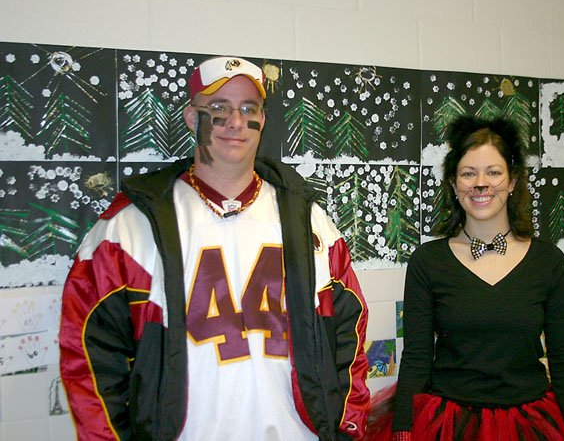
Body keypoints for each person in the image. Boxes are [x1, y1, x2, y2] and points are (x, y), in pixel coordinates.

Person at [59, 56, 370, 441]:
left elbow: (349, 336)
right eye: (218, 108)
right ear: (192, 118)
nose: (235, 122)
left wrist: (345, 430)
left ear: (263, 119)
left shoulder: (310, 221)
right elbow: (90, 356)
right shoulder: (129, 228)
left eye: (248, 108)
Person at [365, 115, 564, 440]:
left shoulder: (549, 262)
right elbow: (417, 357)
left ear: (513, 181)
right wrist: (404, 428)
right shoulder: (428, 261)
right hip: (447, 424)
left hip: (532, 423)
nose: (481, 184)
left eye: (493, 172)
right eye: (468, 173)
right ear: (453, 183)